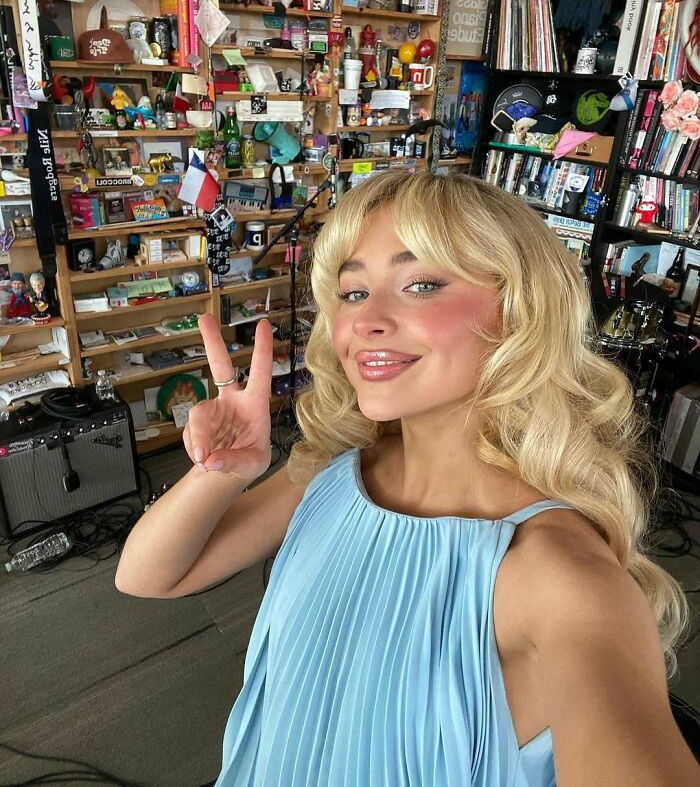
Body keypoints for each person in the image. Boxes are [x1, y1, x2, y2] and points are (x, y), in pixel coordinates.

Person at [114, 172, 697, 786]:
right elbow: (148, 576)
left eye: (421, 284)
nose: (367, 320)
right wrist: (220, 474)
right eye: (354, 292)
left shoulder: (560, 577)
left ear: (522, 311)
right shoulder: (331, 473)